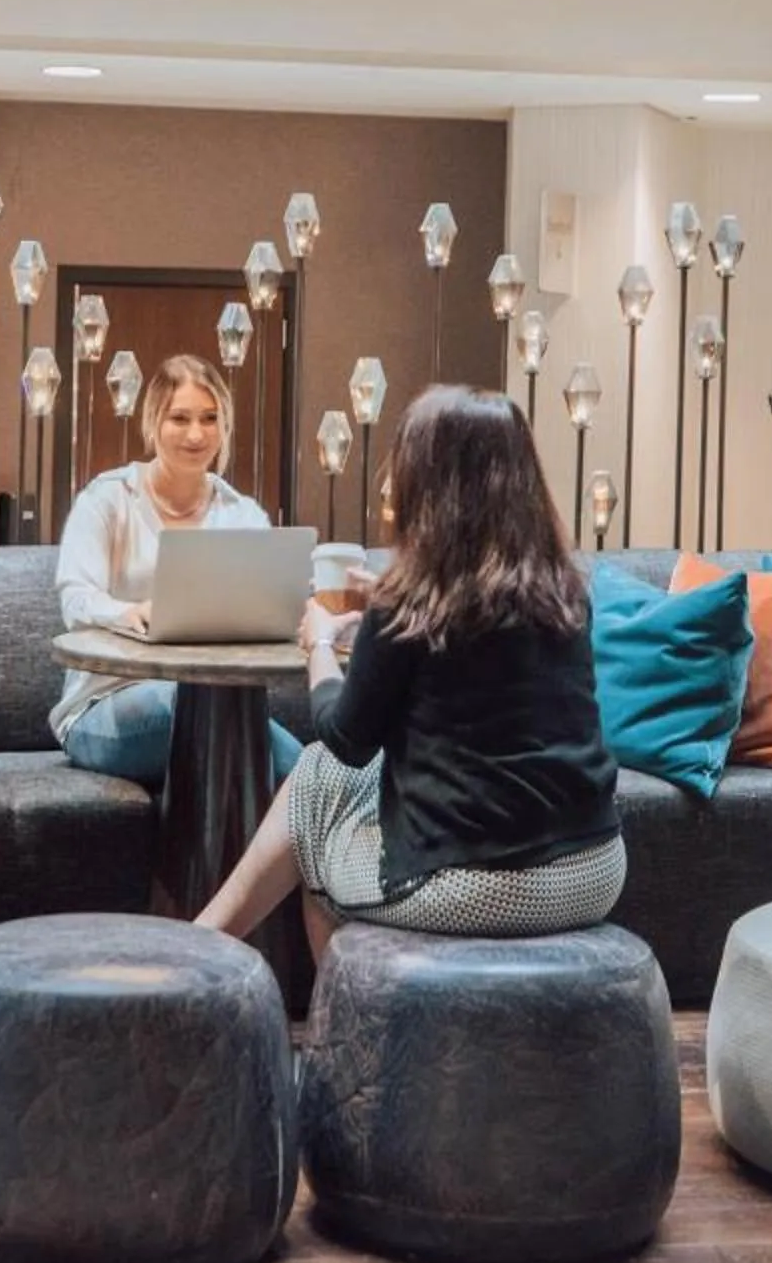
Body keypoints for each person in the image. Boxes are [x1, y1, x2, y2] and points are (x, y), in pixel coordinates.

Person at [197, 385, 622, 948]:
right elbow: (475, 658)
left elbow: (345, 739)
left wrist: (320, 645)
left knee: (317, 784)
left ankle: (213, 953)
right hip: (594, 868)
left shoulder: (411, 602)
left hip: (480, 887)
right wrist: (385, 618)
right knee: (338, 790)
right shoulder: (565, 591)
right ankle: (204, 942)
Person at [52, 354, 302, 787]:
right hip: (103, 708)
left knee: (314, 773)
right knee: (193, 705)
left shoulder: (242, 515)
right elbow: (75, 599)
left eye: (210, 418)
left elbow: (273, 604)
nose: (196, 434)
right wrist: (126, 613)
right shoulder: (108, 499)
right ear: (153, 423)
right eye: (179, 418)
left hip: (218, 704)